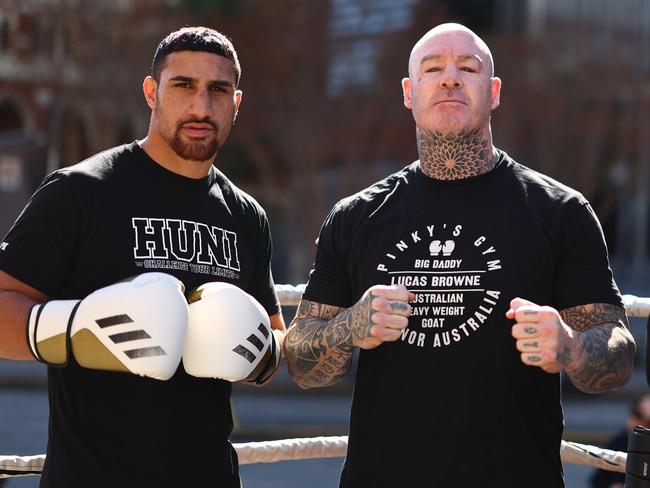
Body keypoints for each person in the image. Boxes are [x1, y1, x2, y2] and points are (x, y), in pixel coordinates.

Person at [283, 23, 636, 487]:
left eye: (467, 68)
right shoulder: (356, 217)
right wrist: (351, 325)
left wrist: (570, 346)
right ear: (409, 92)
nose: (450, 78)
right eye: (433, 69)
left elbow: (618, 356)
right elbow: (300, 364)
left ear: (493, 92)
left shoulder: (559, 211)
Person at [0, 26, 285, 488]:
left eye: (218, 90)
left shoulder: (246, 216)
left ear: (236, 103)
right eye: (183, 85)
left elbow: (274, 336)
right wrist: (79, 329)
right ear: (152, 92)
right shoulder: (80, 191)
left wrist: (259, 352)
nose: (201, 106)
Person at [590, 394, 650, 488]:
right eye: (637, 415)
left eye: (648, 421)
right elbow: (597, 480)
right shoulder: (618, 441)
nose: (642, 422)